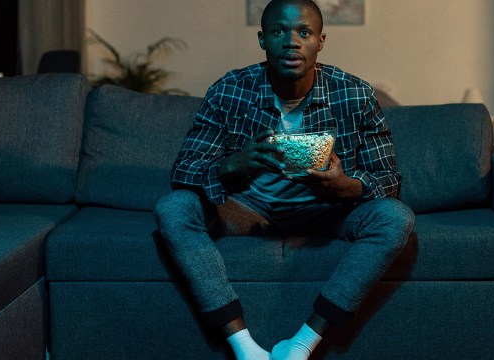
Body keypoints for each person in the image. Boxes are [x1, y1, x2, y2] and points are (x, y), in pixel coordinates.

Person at [153, 0, 414, 359]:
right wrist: (232, 164)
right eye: (279, 32)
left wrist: (344, 186)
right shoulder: (230, 89)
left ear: (320, 41)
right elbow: (183, 170)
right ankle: (245, 348)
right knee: (174, 208)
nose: (292, 41)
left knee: (396, 217)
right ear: (263, 40)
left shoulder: (354, 93)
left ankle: (301, 345)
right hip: (248, 209)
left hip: (328, 210)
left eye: (304, 32)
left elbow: (389, 179)